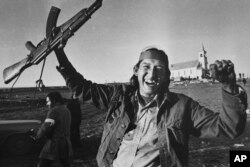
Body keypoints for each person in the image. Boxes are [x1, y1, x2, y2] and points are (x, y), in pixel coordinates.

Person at [54, 46, 247, 167]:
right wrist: (59, 52)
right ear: (136, 71)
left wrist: (229, 86)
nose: (152, 74)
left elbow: (228, 128)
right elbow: (83, 88)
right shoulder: (118, 97)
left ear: (166, 76)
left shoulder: (182, 106)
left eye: (159, 69)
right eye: (146, 67)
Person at [32, 92, 73, 167]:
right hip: (66, 144)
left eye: (48, 101)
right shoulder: (66, 109)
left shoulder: (54, 111)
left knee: (42, 164)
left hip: (55, 144)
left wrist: (37, 135)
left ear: (53, 100)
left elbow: (46, 127)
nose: (47, 104)